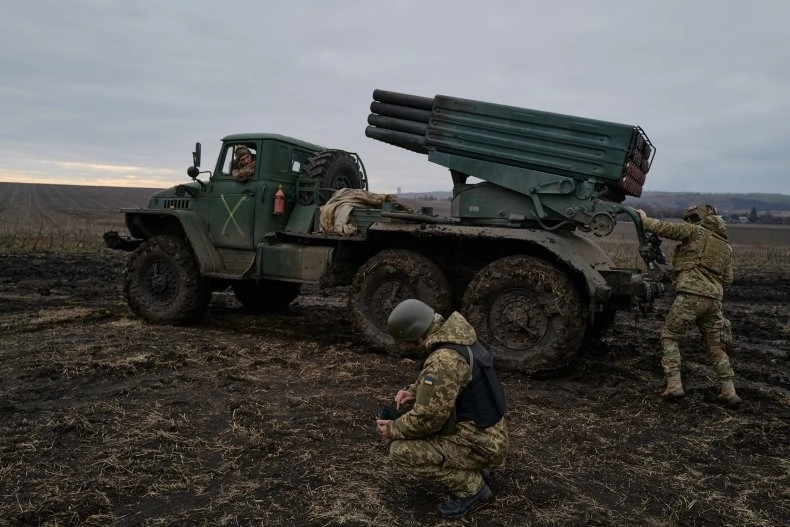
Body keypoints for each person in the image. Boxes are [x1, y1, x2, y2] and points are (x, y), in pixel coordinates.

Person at [375, 298, 509, 519]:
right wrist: (414, 390)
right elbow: (450, 385)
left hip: (479, 443)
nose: (407, 347)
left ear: (419, 333)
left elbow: (428, 418)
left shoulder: (443, 361)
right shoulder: (458, 337)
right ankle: (471, 465)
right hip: (489, 434)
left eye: (408, 342)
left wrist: (393, 429)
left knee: (400, 451)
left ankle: (473, 488)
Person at [636, 204, 741, 406]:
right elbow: (727, 281)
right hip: (714, 302)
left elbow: (664, 229)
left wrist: (644, 219)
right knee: (716, 348)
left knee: (670, 336)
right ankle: (729, 391)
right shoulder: (725, 247)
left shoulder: (695, 232)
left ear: (699, 218)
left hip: (691, 298)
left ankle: (674, 386)